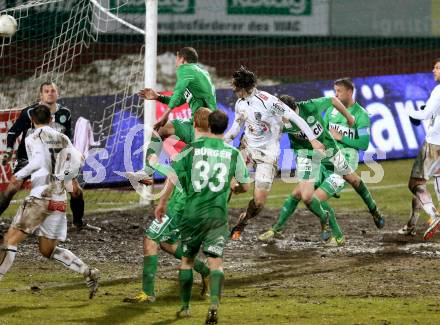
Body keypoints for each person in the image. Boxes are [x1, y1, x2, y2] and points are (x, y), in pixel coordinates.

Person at [155, 110, 250, 324]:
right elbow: (244, 186)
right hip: (217, 215)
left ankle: (185, 307)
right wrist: (235, 187)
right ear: (224, 128)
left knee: (187, 261)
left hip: (192, 214)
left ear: (207, 125)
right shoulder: (233, 153)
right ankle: (214, 304)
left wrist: (161, 203)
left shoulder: (191, 150)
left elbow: (173, 175)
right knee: (216, 262)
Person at [0, 105, 100, 298]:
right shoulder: (63, 138)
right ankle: (88, 272)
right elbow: (79, 158)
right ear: (51, 118)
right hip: (58, 200)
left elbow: (37, 162)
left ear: (32, 120)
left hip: (40, 197)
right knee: (47, 250)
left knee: (9, 241)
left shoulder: (32, 137)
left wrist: (20, 175)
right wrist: (65, 178)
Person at [122, 108, 212, 304]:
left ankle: (147, 294)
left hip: (180, 204)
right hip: (200, 205)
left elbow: (174, 175)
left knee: (150, 239)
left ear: (194, 124)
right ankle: (205, 270)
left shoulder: (190, 149)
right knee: (168, 244)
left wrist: (154, 165)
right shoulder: (218, 148)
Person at [225, 66, 325, 240]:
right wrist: (223, 141)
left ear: (245, 88)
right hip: (247, 148)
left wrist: (313, 140)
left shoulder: (269, 101)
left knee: (259, 203)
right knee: (232, 184)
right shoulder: (240, 103)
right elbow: (236, 126)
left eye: (236, 88)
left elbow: (296, 118)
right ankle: (216, 221)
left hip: (268, 155)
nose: (234, 91)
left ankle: (243, 222)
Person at [258, 94, 355, 246]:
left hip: (320, 160)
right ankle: (277, 229)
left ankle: (337, 233)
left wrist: (349, 117)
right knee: (297, 194)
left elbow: (332, 100)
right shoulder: (282, 119)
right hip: (309, 159)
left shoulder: (308, 110)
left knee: (310, 197)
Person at [0, 81, 95, 231]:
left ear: (58, 94)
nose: (50, 93)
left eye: (52, 91)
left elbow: (67, 136)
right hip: (29, 158)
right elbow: (13, 131)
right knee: (13, 187)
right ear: (41, 94)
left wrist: (71, 156)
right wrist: (9, 150)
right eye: (46, 91)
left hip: (57, 160)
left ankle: (78, 224)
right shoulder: (29, 112)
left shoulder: (65, 113)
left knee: (76, 190)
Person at [138, 47, 217, 168]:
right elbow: (180, 99)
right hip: (196, 123)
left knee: (196, 170)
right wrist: (158, 97)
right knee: (160, 131)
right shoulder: (200, 74)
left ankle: (149, 171)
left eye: (177, 59)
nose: (176, 63)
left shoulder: (185, 69)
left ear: (182, 59)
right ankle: (148, 172)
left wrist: (165, 114)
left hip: (203, 126)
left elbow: (178, 92)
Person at [324, 78, 385, 229]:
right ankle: (374, 209)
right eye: (335, 91)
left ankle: (333, 232)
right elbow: (322, 131)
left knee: (322, 191)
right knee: (355, 182)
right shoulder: (331, 110)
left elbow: (363, 144)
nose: (336, 95)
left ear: (350, 92)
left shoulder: (361, 114)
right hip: (329, 153)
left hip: (348, 155)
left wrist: (340, 137)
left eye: (339, 91)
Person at [398, 58, 440, 240]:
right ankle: (411, 224)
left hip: (434, 144)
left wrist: (409, 112)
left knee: (415, 184)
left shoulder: (439, 90)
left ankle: (434, 215)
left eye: (438, 67)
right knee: (426, 186)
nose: (434, 70)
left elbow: (425, 114)